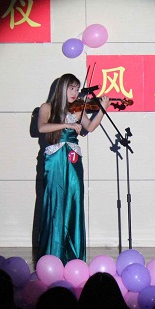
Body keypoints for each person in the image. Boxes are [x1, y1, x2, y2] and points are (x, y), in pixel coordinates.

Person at [37, 73, 109, 263]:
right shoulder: (47, 107)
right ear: (62, 88)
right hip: (54, 159)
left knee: (74, 199)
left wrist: (102, 109)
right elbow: (42, 127)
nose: (75, 92)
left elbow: (89, 127)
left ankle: (73, 256)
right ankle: (52, 255)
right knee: (55, 201)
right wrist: (66, 124)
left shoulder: (78, 108)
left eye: (77, 89)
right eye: (71, 88)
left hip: (73, 159)